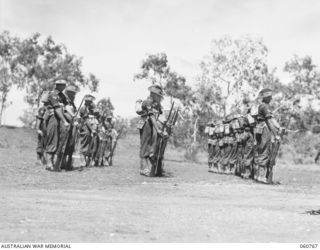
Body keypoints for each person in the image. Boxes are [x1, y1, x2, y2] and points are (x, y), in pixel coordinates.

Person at [253, 88, 282, 183]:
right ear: (265, 97)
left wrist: (278, 127)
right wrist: (275, 134)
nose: (271, 98)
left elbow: (271, 120)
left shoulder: (260, 106)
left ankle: (258, 176)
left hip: (259, 130)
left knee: (261, 151)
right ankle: (261, 176)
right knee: (265, 151)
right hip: (265, 130)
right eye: (269, 97)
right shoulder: (264, 107)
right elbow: (269, 121)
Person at [137, 85, 167, 177]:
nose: (160, 98)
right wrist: (158, 129)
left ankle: (151, 167)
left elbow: (161, 116)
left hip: (152, 125)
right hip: (146, 124)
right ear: (153, 95)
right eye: (159, 96)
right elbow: (151, 116)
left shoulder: (156, 105)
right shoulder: (147, 102)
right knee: (145, 145)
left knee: (151, 146)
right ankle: (143, 168)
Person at [45, 79, 70, 171]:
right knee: (52, 139)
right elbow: (57, 109)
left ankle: (55, 163)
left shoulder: (62, 96)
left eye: (64, 85)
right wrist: (65, 121)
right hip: (53, 118)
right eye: (62, 85)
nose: (63, 87)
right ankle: (48, 163)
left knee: (60, 140)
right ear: (57, 85)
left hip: (60, 118)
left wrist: (73, 117)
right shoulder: (53, 94)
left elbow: (67, 107)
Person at [61, 85, 78, 170]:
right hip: (65, 124)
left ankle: (67, 163)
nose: (74, 95)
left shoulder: (72, 103)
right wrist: (73, 116)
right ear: (68, 93)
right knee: (63, 144)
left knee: (70, 145)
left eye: (74, 94)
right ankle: (61, 162)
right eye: (72, 94)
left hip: (72, 125)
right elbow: (65, 111)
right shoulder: (65, 100)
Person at [78, 95, 95, 166]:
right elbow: (86, 120)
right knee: (83, 144)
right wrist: (92, 129)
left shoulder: (88, 109)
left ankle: (85, 160)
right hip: (84, 128)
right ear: (87, 102)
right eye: (90, 102)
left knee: (87, 145)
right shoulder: (83, 108)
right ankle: (82, 160)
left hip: (87, 129)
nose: (91, 103)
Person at [35, 92, 49, 166]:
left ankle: (45, 160)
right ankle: (38, 159)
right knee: (41, 144)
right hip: (42, 129)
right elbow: (39, 120)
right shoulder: (42, 109)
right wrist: (38, 129)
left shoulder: (49, 109)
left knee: (46, 145)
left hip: (48, 130)